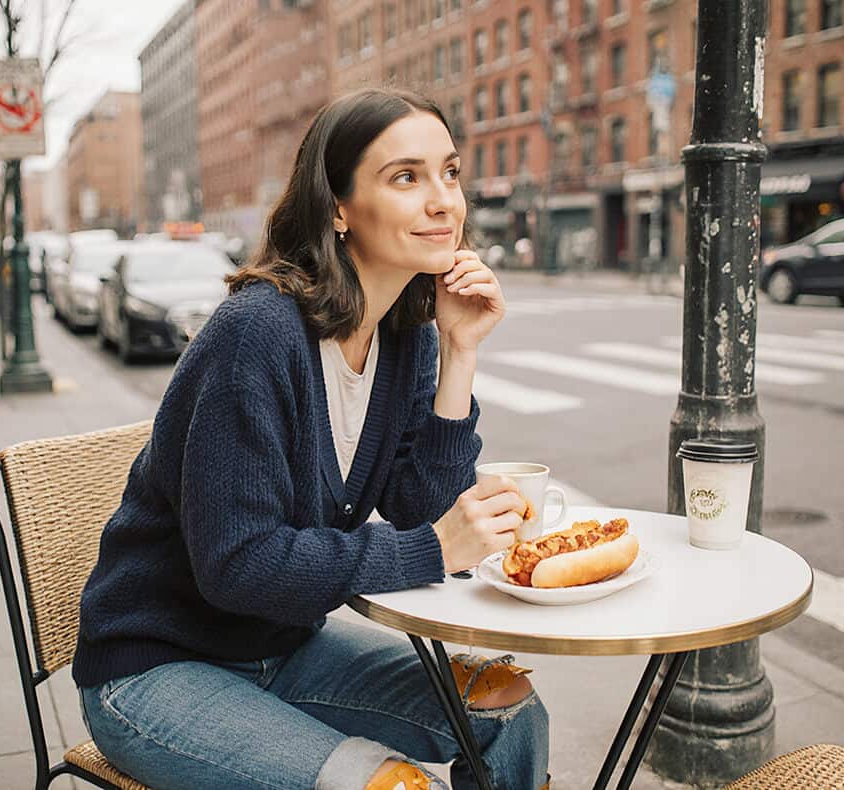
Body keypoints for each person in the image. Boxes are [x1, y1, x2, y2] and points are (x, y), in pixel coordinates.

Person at [72, 88, 551, 790]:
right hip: (156, 671)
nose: (445, 200)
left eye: (450, 172)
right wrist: (433, 549)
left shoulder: (407, 334)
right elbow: (239, 564)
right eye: (406, 177)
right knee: (391, 786)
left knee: (513, 707)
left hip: (287, 650)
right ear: (337, 207)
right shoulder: (256, 337)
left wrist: (460, 351)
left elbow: (422, 506)